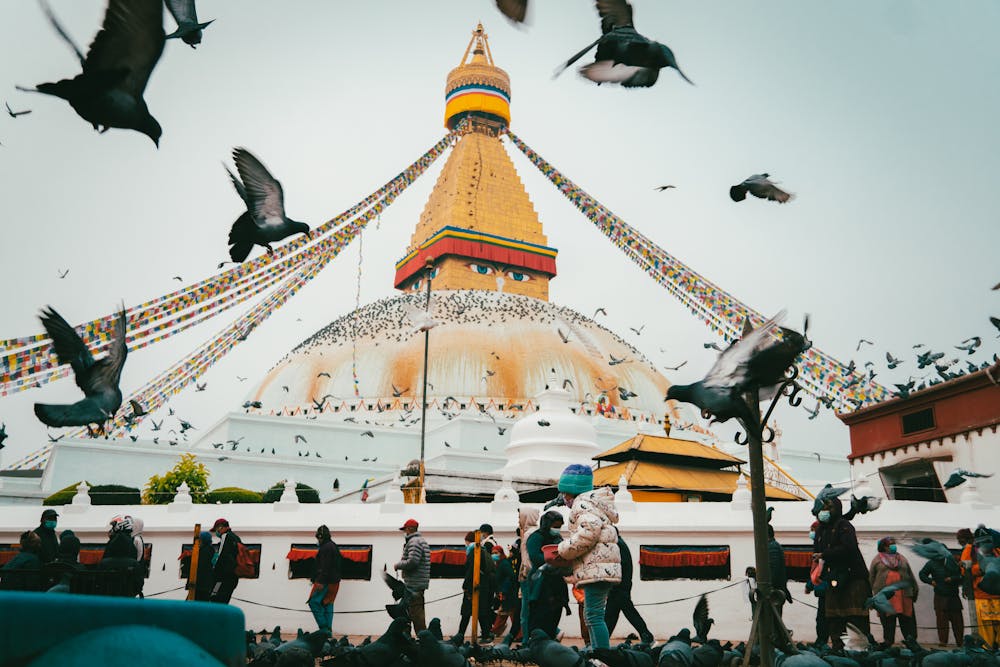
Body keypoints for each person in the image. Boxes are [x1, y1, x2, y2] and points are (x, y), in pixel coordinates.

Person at [555, 464, 622, 650]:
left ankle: (602, 656)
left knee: (593, 616)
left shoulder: (582, 504)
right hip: (599, 567)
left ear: (572, 491)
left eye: (565, 494)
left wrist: (563, 549)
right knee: (592, 615)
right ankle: (596, 652)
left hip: (596, 568)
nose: (564, 499)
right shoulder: (594, 504)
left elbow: (589, 531)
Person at [813, 494, 871, 651]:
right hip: (833, 578)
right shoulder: (820, 530)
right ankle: (838, 649)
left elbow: (849, 548)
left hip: (853, 578)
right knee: (834, 618)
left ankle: (859, 651)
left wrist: (825, 554)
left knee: (855, 618)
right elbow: (817, 552)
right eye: (824, 507)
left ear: (837, 509)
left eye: (830, 507)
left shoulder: (844, 526)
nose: (826, 510)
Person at [525, 509, 569, 641]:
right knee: (539, 616)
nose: (557, 529)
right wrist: (552, 560)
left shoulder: (558, 538)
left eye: (559, 527)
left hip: (556, 583)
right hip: (541, 584)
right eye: (555, 526)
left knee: (554, 616)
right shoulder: (536, 537)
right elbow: (535, 557)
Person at [605, 527, 654, 644]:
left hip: (619, 586)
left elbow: (618, 566)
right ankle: (603, 640)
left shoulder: (618, 546)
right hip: (620, 585)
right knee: (611, 615)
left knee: (627, 613)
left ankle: (647, 635)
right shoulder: (620, 544)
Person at [869, 536, 919, 646]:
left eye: (894, 543)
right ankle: (888, 642)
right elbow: (871, 578)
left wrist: (915, 591)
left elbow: (910, 575)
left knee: (907, 620)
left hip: (904, 595)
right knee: (888, 621)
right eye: (890, 544)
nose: (893, 546)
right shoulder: (877, 560)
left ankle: (911, 643)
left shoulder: (902, 558)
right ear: (883, 547)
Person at [918, 538, 964, 646]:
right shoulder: (931, 563)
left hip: (953, 596)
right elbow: (922, 574)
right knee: (942, 621)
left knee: (957, 621)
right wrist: (931, 581)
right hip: (940, 596)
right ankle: (943, 642)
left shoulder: (953, 561)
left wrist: (952, 579)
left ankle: (960, 642)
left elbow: (962, 577)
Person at [961, 526, 1000, 648]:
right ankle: (987, 653)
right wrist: (981, 569)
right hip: (981, 596)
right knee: (985, 629)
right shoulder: (970, 551)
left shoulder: (997, 550)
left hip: (998, 596)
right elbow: (964, 570)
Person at [456, 530, 496, 642]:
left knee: (466, 614)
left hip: (474, 587)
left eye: (466, 542)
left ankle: (460, 636)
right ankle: (485, 635)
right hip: (483, 587)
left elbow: (470, 571)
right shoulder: (483, 551)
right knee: (480, 613)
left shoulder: (474, 552)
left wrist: (465, 586)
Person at [395, 518, 430, 633]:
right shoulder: (421, 541)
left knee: (416, 614)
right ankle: (419, 638)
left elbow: (413, 562)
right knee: (414, 612)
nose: (405, 532)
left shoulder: (414, 542)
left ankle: (423, 640)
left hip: (414, 584)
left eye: (405, 530)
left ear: (410, 529)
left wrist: (398, 565)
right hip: (418, 583)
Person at [308, 525, 343, 636]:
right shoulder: (334, 546)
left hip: (324, 581)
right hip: (335, 582)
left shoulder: (325, 548)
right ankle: (328, 632)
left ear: (321, 536)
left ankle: (324, 628)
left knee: (313, 602)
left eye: (318, 538)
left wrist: (318, 581)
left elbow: (325, 567)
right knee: (328, 603)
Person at [513, 507, 540, 642]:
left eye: (520, 517)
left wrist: (525, 573)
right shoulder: (534, 532)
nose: (519, 520)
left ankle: (525, 642)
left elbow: (527, 558)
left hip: (528, 577)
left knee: (525, 613)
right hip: (532, 576)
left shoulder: (529, 534)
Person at [805, 521, 829, 647]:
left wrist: (810, 585)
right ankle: (821, 640)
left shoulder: (824, 549)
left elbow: (818, 571)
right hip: (822, 589)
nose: (812, 533)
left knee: (826, 618)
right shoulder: (819, 547)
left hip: (827, 588)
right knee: (821, 618)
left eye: (813, 530)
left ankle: (824, 641)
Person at [210, 518, 242, 604]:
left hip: (224, 577)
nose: (217, 532)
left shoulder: (225, 536)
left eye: (216, 530)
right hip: (234, 576)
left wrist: (214, 573)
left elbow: (221, 556)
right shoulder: (236, 538)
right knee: (224, 602)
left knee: (216, 602)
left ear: (220, 527)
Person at [491, 546, 518, 637]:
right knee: (505, 612)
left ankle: (518, 634)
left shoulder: (504, 563)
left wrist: (504, 590)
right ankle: (496, 630)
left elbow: (510, 577)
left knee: (510, 613)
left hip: (508, 593)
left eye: (496, 553)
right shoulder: (499, 563)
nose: (494, 555)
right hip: (505, 592)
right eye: (493, 553)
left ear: (501, 553)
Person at [768, 525, 792, 622]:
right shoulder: (773, 545)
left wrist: (769, 587)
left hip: (775, 589)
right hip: (777, 588)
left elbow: (774, 569)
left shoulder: (772, 546)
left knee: (774, 620)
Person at [193, 530, 215, 602]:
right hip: (204, 585)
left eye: (199, 540)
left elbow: (201, 568)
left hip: (201, 585)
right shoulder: (209, 549)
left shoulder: (205, 551)